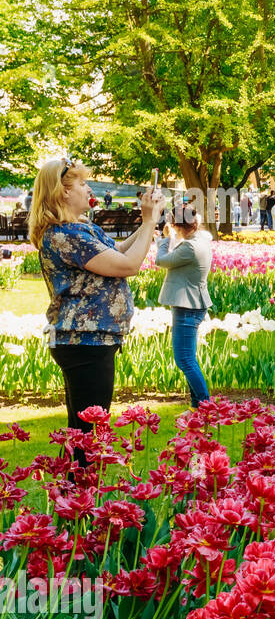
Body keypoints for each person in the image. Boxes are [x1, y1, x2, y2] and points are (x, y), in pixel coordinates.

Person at [30, 158, 163, 462]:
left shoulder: (80, 228)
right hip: (85, 341)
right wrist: (147, 222)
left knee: (82, 431)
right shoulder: (66, 235)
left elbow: (115, 253)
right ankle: (81, 502)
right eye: (81, 183)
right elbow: (128, 266)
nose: (88, 188)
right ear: (64, 192)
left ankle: (74, 501)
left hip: (88, 340)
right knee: (88, 434)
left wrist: (146, 227)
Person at [155, 211, 214, 407]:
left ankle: (204, 406)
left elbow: (162, 260)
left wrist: (166, 239)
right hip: (191, 303)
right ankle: (197, 405)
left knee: (185, 360)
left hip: (187, 305)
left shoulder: (190, 246)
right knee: (188, 359)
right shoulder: (201, 239)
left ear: (178, 225)